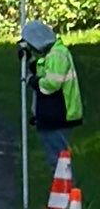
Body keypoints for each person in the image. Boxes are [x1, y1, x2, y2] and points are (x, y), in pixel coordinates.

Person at [24, 18, 84, 160]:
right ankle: (62, 183)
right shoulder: (54, 54)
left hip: (58, 115)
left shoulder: (57, 55)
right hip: (56, 115)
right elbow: (44, 71)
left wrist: (32, 81)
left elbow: (51, 84)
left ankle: (66, 183)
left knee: (58, 159)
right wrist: (30, 60)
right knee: (58, 158)